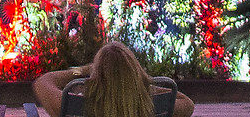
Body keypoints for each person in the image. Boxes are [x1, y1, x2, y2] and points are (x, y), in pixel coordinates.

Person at [31, 42, 196, 117]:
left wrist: (83, 70)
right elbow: (188, 104)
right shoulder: (153, 106)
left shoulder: (79, 105)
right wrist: (141, 82)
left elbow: (44, 81)